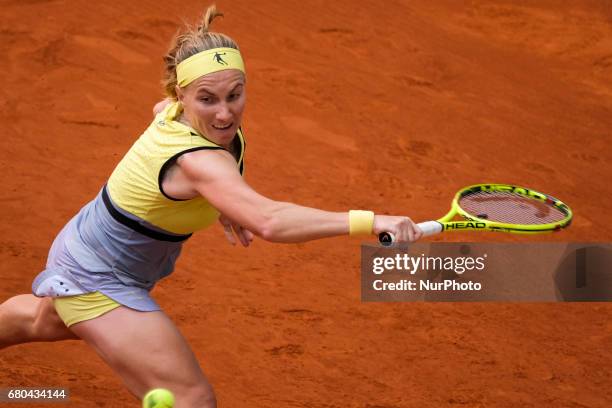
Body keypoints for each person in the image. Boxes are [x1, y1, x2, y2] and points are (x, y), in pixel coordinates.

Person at [0, 5, 421, 407]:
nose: (224, 114)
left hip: (86, 245)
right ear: (183, 92)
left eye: (235, 94)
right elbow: (269, 221)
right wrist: (372, 220)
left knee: (42, 322)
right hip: (96, 278)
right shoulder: (198, 161)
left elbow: (159, 109)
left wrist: (220, 203)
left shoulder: (173, 112)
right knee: (192, 399)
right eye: (208, 99)